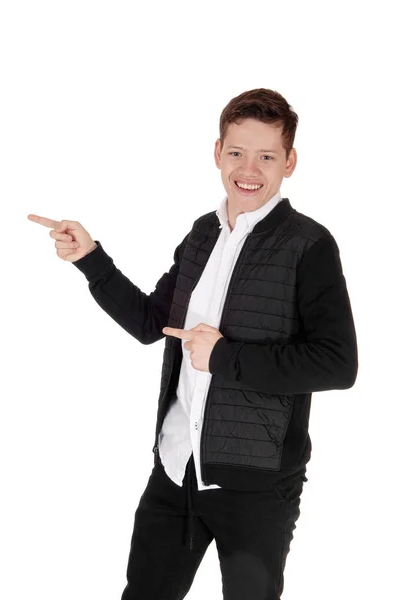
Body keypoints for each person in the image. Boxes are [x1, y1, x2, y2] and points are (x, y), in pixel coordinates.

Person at [28, 88, 358, 599]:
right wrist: (90, 259)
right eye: (236, 152)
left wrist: (225, 356)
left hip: (256, 489)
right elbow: (150, 323)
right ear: (217, 153)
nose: (249, 169)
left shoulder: (309, 246)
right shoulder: (202, 234)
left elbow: (338, 364)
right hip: (175, 469)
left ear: (290, 162)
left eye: (266, 156)